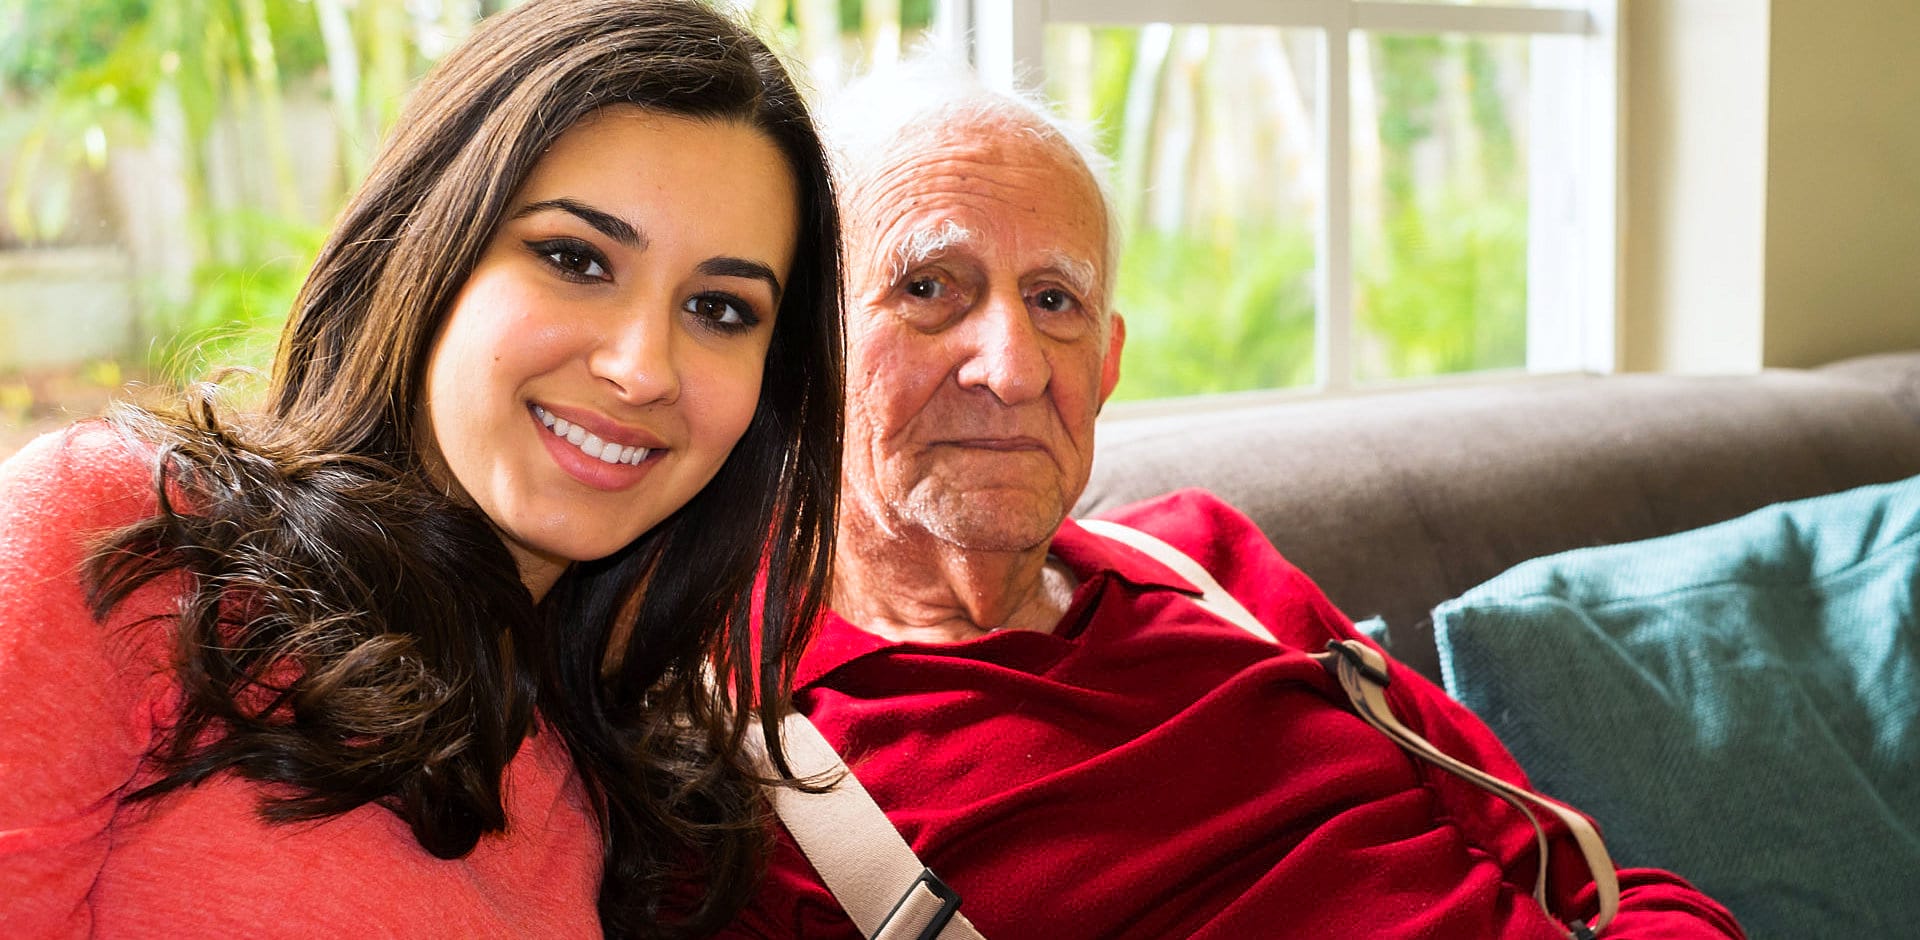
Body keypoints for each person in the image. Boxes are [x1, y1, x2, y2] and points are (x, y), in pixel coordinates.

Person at [718, 61, 1745, 938]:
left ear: (1107, 365)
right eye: (930, 286)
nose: (1015, 366)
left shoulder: (1211, 565)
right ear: (806, 351)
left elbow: (1571, 875)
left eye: (1054, 300)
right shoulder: (733, 746)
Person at [0, 1, 842, 936]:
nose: (642, 369)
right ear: (429, 248)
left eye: (721, 310)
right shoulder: (128, 538)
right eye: (575, 258)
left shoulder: (629, 781)